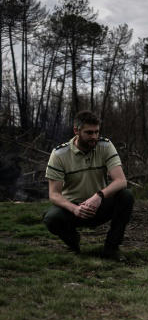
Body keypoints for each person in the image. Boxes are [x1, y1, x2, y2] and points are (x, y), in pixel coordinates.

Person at [43, 110, 134, 259]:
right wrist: (75, 209)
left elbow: (121, 181)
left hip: (100, 205)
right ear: (76, 131)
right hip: (73, 209)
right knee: (52, 218)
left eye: (97, 132)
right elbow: (54, 195)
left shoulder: (105, 146)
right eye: (89, 133)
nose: (94, 137)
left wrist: (99, 196)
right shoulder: (59, 154)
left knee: (126, 196)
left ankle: (111, 248)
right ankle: (73, 242)